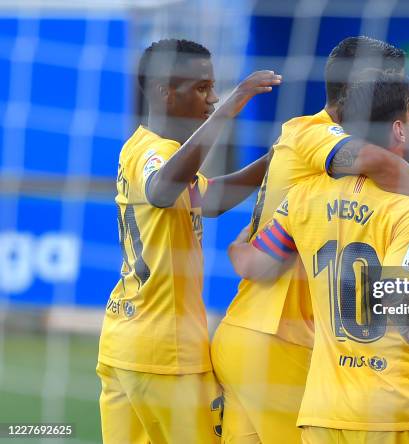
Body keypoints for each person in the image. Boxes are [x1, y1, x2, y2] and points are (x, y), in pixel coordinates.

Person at [211, 36, 409, 443]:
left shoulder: (313, 166)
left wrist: (238, 246)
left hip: (247, 331)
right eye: (392, 87)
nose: (398, 98)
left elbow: (258, 261)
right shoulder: (315, 132)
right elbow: (377, 161)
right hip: (278, 340)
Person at [96, 38, 281, 443]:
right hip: (167, 354)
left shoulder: (150, 150)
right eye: (202, 88)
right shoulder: (153, 154)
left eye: (215, 89)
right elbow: (163, 189)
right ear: (165, 92)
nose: (212, 98)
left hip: (123, 347)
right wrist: (233, 106)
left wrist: (273, 162)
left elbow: (209, 198)